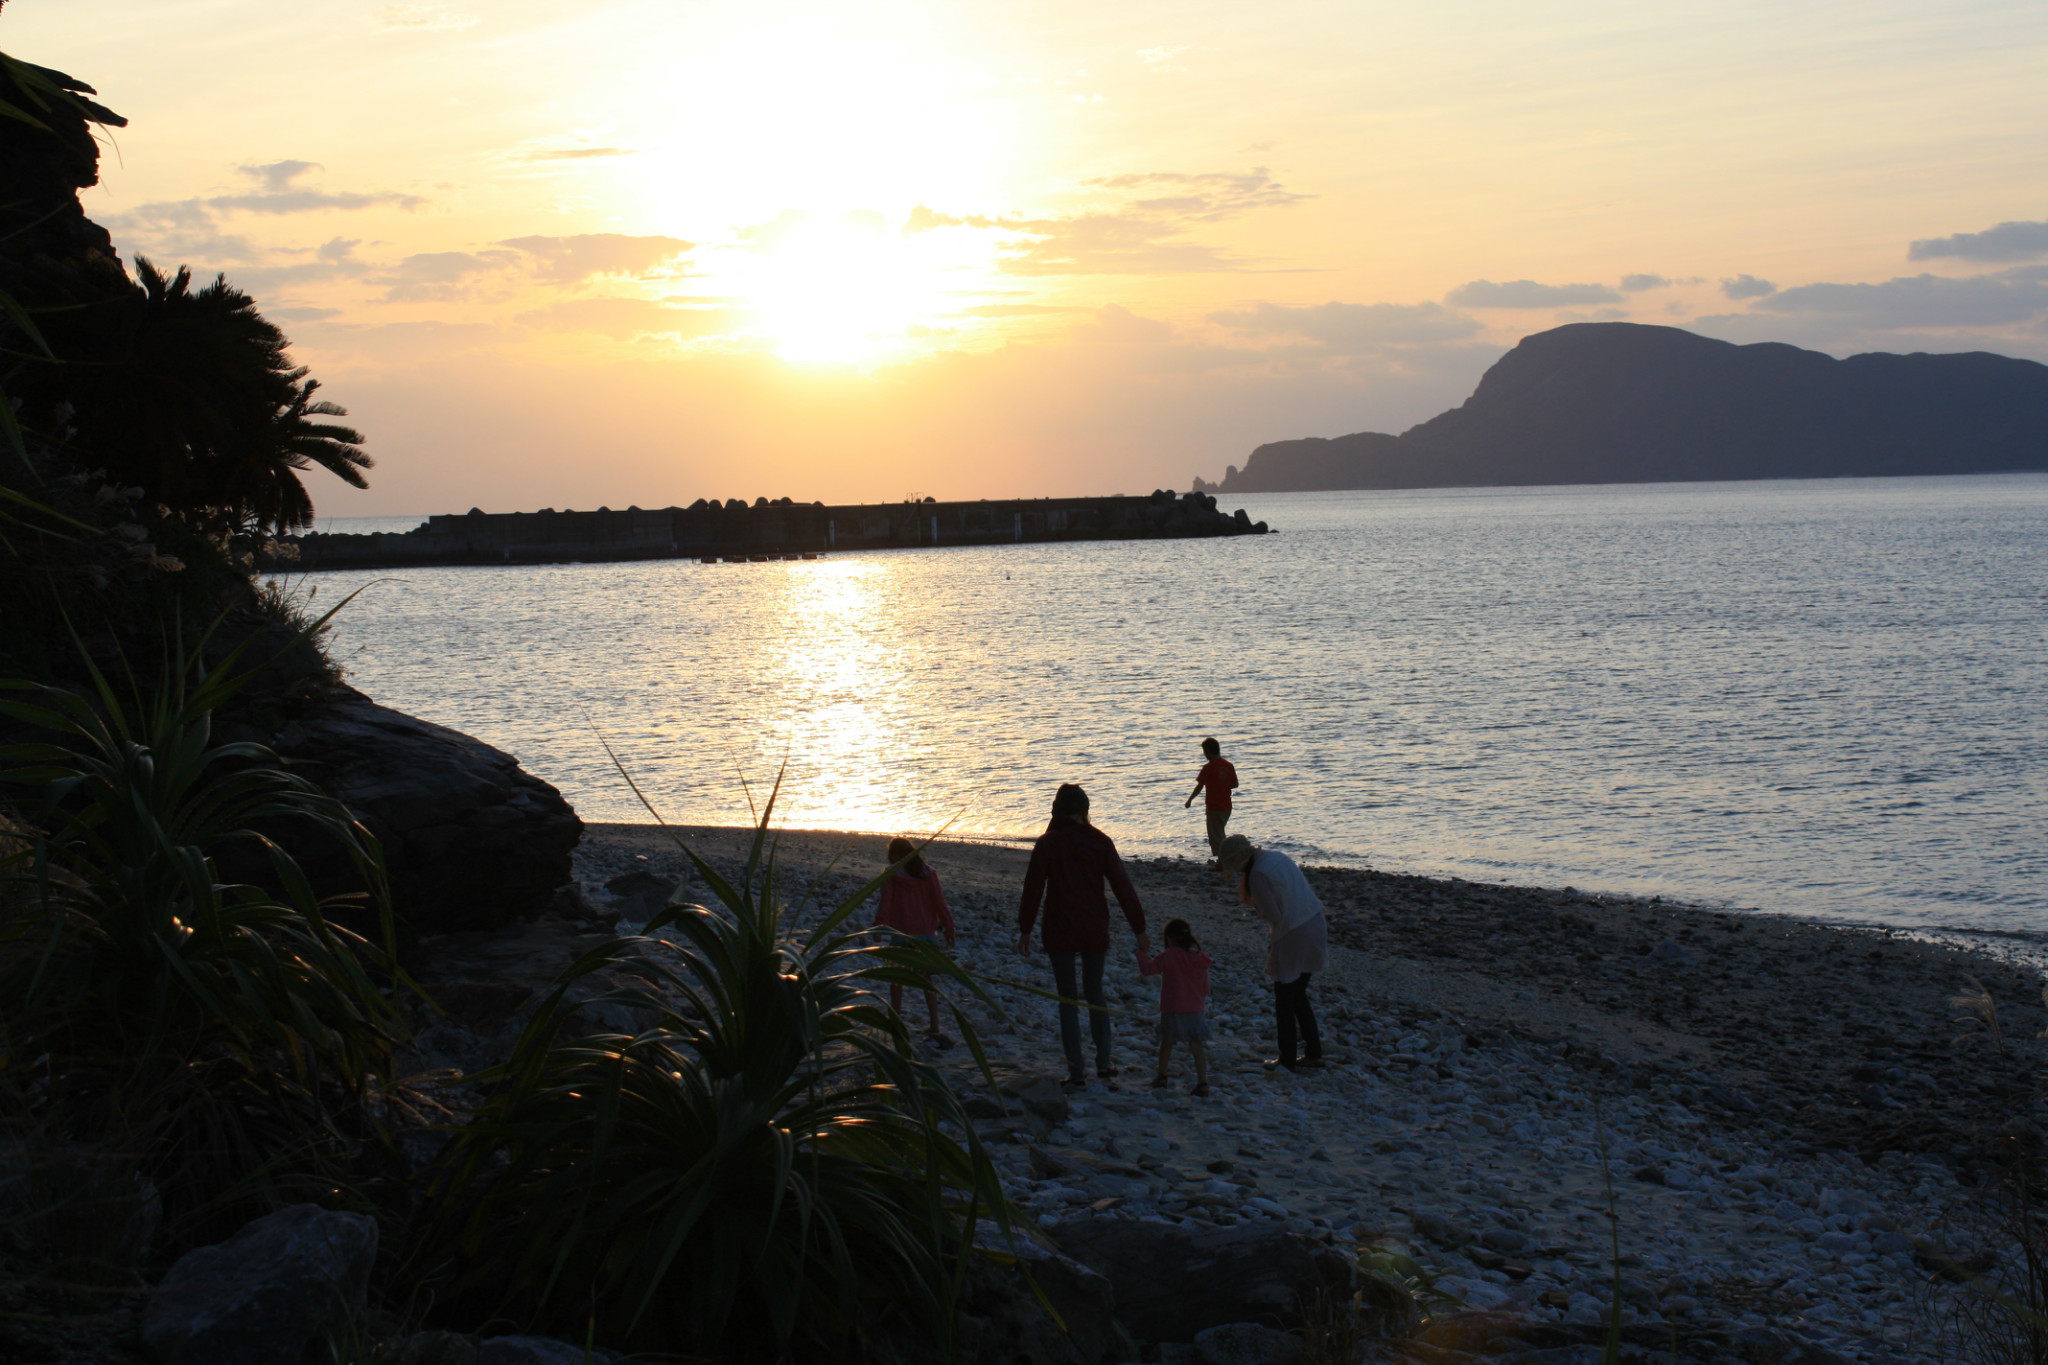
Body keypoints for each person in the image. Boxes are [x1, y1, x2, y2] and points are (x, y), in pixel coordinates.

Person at [1017, 783, 1150, 1091]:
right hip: (1093, 927)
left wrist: (1025, 927)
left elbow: (1033, 889)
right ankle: (1104, 1064)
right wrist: (1139, 928)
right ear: (1084, 811)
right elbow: (1122, 887)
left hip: (1060, 926)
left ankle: (1076, 1071)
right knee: (1095, 993)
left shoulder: (1048, 843)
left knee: (1067, 999)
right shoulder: (1100, 842)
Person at [1215, 834, 1326, 1072]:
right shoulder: (1276, 857)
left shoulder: (1257, 874)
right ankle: (1313, 1054)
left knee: (1284, 999)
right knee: (1298, 995)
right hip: (1315, 922)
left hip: (1294, 933)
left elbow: (1274, 916)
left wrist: (1257, 905)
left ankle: (1287, 1059)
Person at [875, 836, 957, 1046]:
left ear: (894, 856)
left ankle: (896, 1021)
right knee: (925, 979)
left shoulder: (891, 874)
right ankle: (935, 1024)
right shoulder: (928, 873)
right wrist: (948, 927)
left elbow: (886, 903)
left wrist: (879, 925)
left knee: (897, 979)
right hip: (925, 934)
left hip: (901, 933)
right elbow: (939, 902)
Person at [1136, 918, 1213, 1097]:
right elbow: (1205, 988)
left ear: (1169, 938)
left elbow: (1147, 969)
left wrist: (1141, 953)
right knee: (1196, 1044)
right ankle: (1203, 1082)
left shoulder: (1168, 956)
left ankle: (1162, 1076)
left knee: (1167, 1041)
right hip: (1195, 1008)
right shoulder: (1199, 959)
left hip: (1173, 1007)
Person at [1183, 737, 1239, 855]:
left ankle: (1223, 860)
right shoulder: (1228, 765)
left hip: (1214, 807)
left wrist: (1190, 800)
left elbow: (1199, 786)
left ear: (1208, 751)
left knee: (1215, 836)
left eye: (1204, 752)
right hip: (1227, 806)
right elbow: (1235, 784)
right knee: (1219, 832)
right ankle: (1225, 858)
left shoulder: (1208, 768)